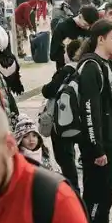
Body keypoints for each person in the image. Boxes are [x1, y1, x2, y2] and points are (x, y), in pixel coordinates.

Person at [76, 18, 112, 223]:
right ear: (101, 39)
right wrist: (97, 149)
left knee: (105, 200)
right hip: (96, 149)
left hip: (109, 144)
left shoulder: (109, 65)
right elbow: (89, 111)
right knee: (95, 202)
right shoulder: (90, 67)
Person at [40, 38, 83, 194]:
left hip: (63, 121)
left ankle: (73, 193)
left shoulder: (67, 70)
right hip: (82, 120)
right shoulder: (88, 68)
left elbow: (49, 90)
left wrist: (45, 87)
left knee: (65, 159)